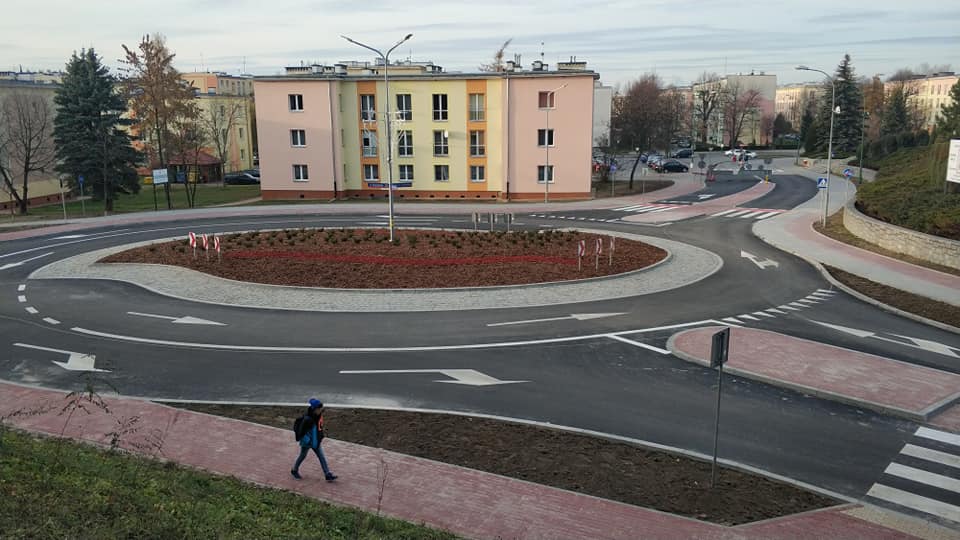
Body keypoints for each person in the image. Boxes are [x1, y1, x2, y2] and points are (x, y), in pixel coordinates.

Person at [291, 398, 337, 481]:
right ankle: (294, 470)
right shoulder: (307, 419)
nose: (321, 410)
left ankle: (327, 474)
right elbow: (301, 432)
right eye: (319, 409)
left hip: (316, 442)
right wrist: (307, 441)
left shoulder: (318, 416)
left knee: (321, 456)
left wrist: (320, 436)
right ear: (314, 409)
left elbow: (319, 428)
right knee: (302, 455)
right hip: (308, 443)